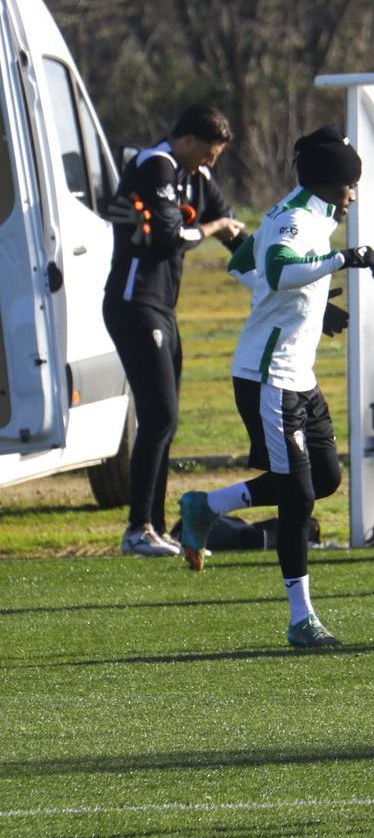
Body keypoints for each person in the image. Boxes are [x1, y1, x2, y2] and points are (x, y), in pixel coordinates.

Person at [175, 126, 374, 647]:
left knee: (325, 479)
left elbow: (242, 266)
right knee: (298, 500)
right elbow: (274, 266)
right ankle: (301, 619)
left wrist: (311, 306)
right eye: (348, 185)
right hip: (269, 379)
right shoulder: (296, 218)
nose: (353, 195)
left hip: (296, 377)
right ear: (328, 183)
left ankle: (207, 507)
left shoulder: (302, 208)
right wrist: (342, 261)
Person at [102, 104, 246, 556]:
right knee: (159, 414)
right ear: (186, 141)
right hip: (134, 303)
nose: (212, 163)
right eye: (208, 153)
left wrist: (269, 263)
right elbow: (167, 239)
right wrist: (214, 226)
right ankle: (137, 528)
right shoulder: (156, 165)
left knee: (166, 419)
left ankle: (154, 528)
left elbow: (230, 227)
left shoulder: (196, 178)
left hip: (163, 308)